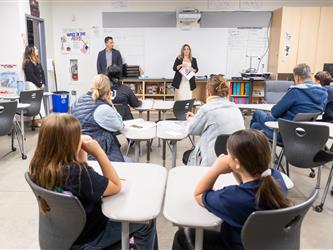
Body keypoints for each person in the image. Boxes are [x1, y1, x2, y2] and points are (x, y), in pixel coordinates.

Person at [29, 114, 158, 249]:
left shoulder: (38, 166)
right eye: (78, 135)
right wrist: (98, 153)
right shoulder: (77, 174)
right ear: (69, 143)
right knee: (147, 222)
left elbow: (82, 186)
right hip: (91, 238)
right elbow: (115, 186)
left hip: (67, 234)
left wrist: (80, 155)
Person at [172, 129, 290, 250]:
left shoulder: (232, 198)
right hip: (267, 244)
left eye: (229, 155)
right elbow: (247, 183)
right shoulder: (275, 178)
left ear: (237, 163)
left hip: (238, 245)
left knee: (182, 236)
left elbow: (199, 195)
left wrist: (216, 169)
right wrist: (236, 169)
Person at [250, 63, 328, 138]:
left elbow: (275, 112)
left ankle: (247, 144)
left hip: (284, 133)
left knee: (257, 113)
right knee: (256, 126)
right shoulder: (323, 93)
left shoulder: (296, 91)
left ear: (297, 78)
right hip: (305, 135)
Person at [184, 74, 245, 167]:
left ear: (208, 92)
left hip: (212, 163)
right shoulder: (235, 107)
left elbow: (192, 130)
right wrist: (197, 117)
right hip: (236, 161)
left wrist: (191, 119)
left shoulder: (206, 109)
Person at [71, 74, 125, 162]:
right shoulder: (103, 108)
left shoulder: (78, 101)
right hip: (96, 151)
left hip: (79, 148)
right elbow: (120, 125)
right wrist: (111, 105)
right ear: (108, 91)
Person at [22, 45, 46, 127]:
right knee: (35, 103)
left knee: (40, 103)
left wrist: (43, 83)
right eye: (35, 49)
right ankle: (36, 121)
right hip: (32, 85)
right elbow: (31, 76)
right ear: (31, 51)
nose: (37, 50)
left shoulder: (37, 61)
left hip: (38, 85)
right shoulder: (28, 62)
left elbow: (42, 73)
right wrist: (39, 84)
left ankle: (39, 119)